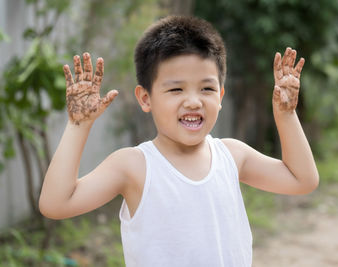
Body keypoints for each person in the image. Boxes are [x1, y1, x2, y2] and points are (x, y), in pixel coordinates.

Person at [39, 15, 319, 267]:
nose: (194, 101)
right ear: (145, 98)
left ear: (220, 97)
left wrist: (286, 115)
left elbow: (302, 180)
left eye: (207, 88)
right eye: (176, 89)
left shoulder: (231, 155)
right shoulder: (134, 166)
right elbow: (55, 204)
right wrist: (79, 126)